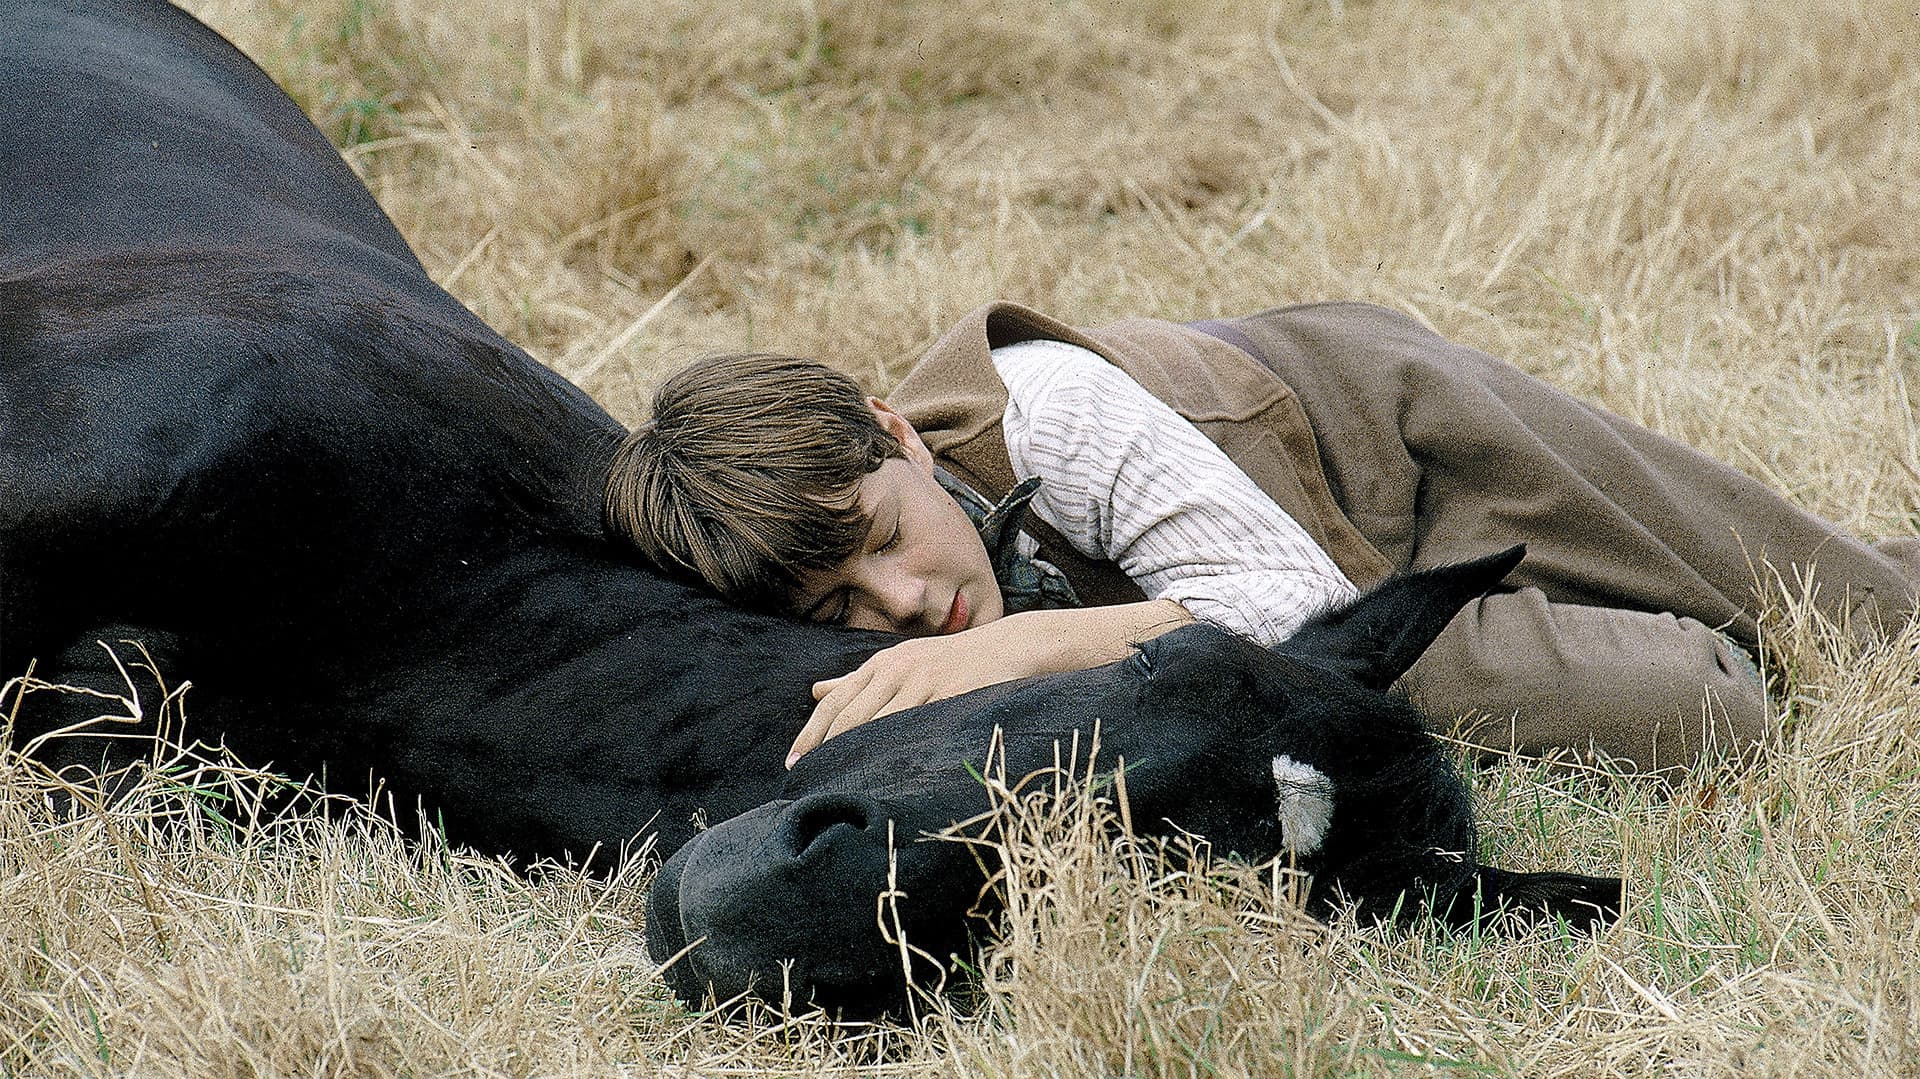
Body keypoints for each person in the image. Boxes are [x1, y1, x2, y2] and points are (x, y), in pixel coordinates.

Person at [604, 300, 1920, 772]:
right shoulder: (896, 588)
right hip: (1361, 608)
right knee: (1708, 713)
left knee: (1845, 618)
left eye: (885, 535)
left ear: (895, 434)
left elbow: (1285, 604)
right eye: (838, 605)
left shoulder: (1043, 413)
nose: (900, 601)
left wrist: (1007, 657)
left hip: (1402, 456)